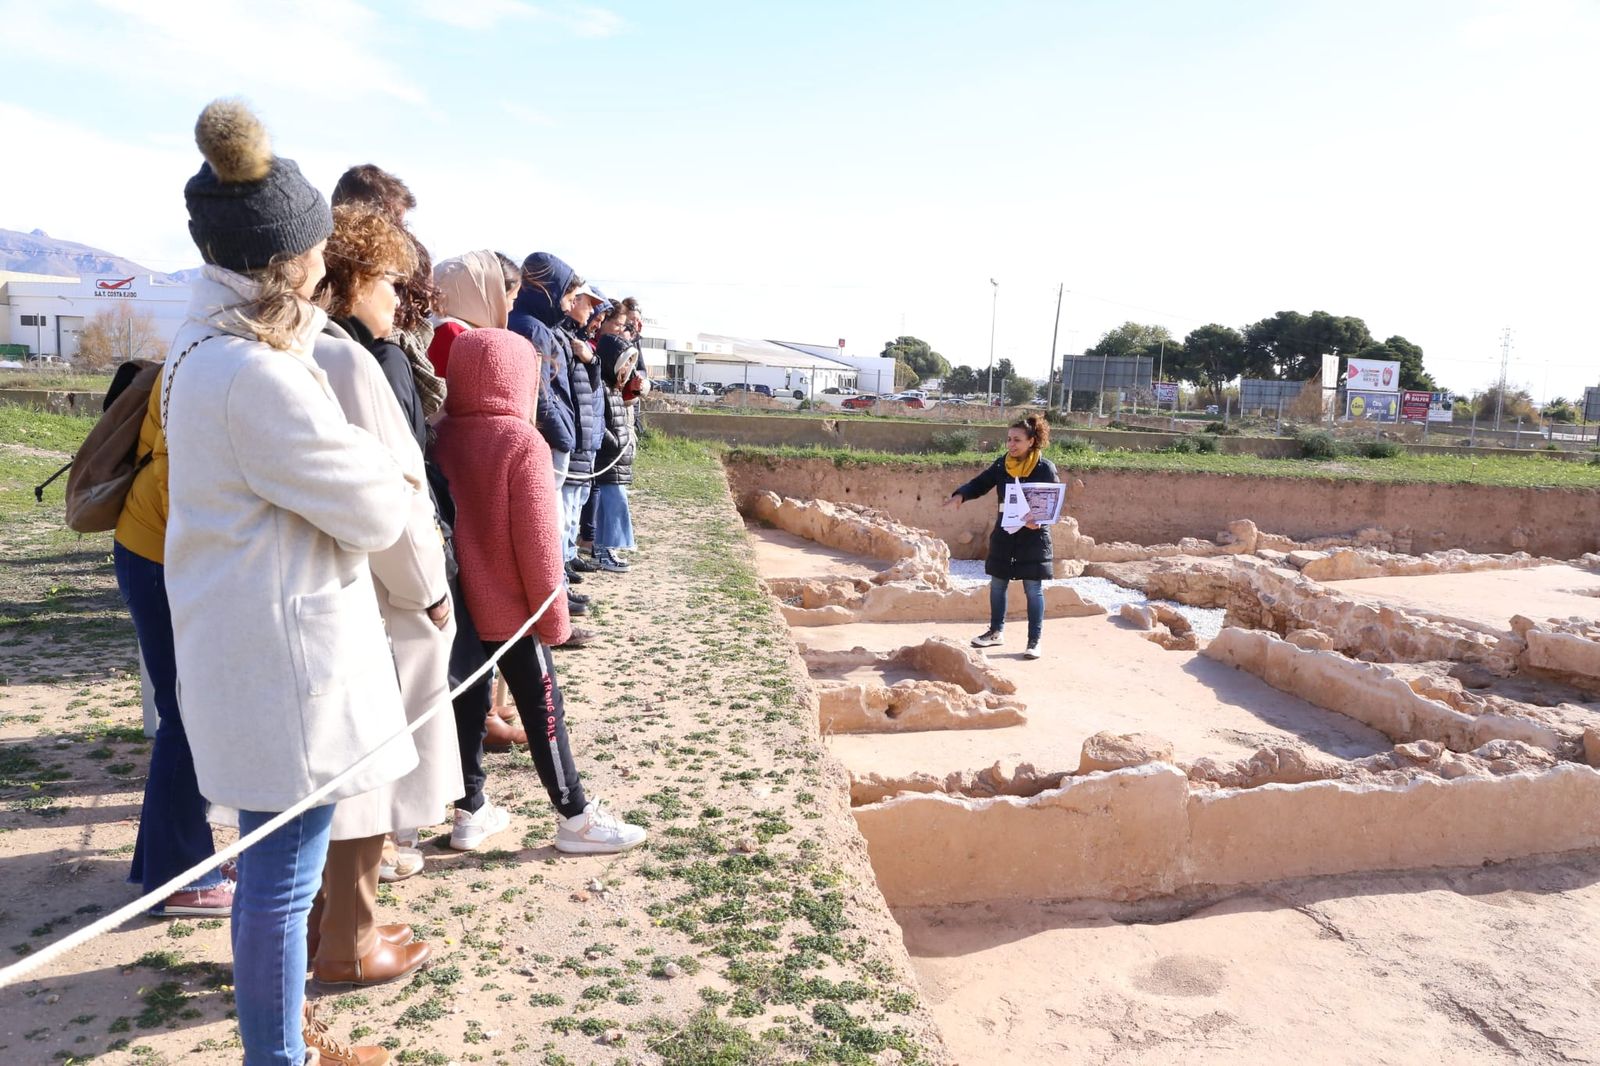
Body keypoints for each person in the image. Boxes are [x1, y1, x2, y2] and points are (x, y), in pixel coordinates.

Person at [164, 98, 407, 1066]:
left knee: (279, 871)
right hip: (285, 662)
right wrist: (381, 466)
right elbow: (379, 509)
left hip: (256, 641)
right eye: (312, 246)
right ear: (291, 259)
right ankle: (280, 1055)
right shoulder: (255, 375)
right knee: (281, 880)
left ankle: (286, 1044)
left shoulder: (213, 350)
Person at [306, 202, 462, 987]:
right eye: (390, 281)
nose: (397, 299)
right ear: (356, 276)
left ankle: (329, 927)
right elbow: (392, 496)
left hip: (330, 592)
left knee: (334, 774)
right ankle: (350, 940)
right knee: (365, 774)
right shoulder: (348, 362)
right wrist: (430, 590)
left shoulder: (295, 349)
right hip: (376, 599)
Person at [434, 328, 647, 854]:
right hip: (513, 614)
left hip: (458, 608)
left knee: (467, 709)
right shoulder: (520, 441)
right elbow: (538, 544)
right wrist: (555, 620)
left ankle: (470, 811)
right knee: (543, 708)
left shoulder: (439, 435)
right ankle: (574, 815)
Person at [112, 343, 232, 918]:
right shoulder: (210, 360)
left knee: (182, 711)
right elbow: (181, 483)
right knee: (187, 714)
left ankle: (164, 862)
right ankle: (183, 874)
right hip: (163, 554)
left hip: (151, 547)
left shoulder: (196, 348)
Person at [424, 250, 527, 848]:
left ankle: (466, 786)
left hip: (453, 505)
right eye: (505, 293)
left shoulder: (457, 334)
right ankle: (466, 796)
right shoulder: (457, 340)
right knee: (459, 657)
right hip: (454, 514)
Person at [508, 253, 606, 612]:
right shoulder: (532, 329)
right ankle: (553, 599)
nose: (569, 307)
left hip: (559, 436)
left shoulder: (538, 326)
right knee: (549, 522)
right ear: (547, 291)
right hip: (552, 439)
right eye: (568, 297)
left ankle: (557, 590)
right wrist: (564, 432)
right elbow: (541, 393)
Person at [943, 413, 1058, 659]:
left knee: (1033, 588)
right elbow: (981, 483)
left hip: (1033, 538)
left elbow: (1053, 502)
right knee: (997, 584)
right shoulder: (1002, 464)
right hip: (1005, 534)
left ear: (1031, 441)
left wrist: (1039, 520)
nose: (1011, 445)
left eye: (1017, 440)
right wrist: (961, 495)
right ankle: (996, 633)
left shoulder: (1044, 468)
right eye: (1009, 439)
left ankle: (1034, 642)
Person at [591, 334, 641, 572]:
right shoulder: (602, 386)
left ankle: (606, 550)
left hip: (616, 459)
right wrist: (616, 444)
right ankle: (605, 550)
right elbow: (598, 422)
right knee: (613, 505)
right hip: (609, 458)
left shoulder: (614, 388)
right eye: (625, 364)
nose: (628, 369)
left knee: (612, 504)